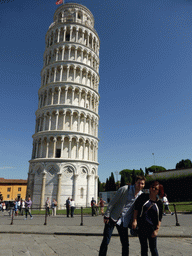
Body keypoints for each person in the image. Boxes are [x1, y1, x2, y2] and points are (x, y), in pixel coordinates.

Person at [99, 175, 146, 256]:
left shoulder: (141, 195)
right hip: (113, 217)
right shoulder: (125, 189)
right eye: (139, 183)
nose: (140, 185)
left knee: (125, 243)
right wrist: (106, 215)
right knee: (106, 240)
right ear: (135, 182)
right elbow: (112, 202)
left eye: (142, 184)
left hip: (124, 221)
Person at [132, 181, 164, 256]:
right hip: (142, 227)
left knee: (153, 248)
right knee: (143, 248)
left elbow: (159, 218)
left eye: (155, 188)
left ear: (158, 191)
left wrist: (156, 230)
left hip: (152, 228)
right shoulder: (143, 197)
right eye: (152, 187)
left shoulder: (159, 204)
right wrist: (134, 221)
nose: (153, 189)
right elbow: (136, 209)